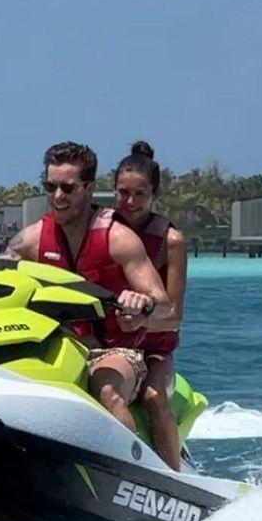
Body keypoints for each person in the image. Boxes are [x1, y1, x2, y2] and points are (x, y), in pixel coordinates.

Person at [0, 141, 173, 440]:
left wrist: (142, 303)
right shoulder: (32, 239)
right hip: (55, 344)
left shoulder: (119, 238)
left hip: (113, 350)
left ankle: (133, 473)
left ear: (88, 187)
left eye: (68, 188)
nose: (58, 196)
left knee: (108, 391)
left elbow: (163, 304)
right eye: (51, 186)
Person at [113, 141, 186, 470]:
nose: (129, 202)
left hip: (154, 348)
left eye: (139, 194)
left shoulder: (170, 241)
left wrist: (138, 322)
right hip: (110, 343)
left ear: (154, 194)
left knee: (154, 399)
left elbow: (173, 317)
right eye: (122, 193)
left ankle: (175, 485)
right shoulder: (103, 231)